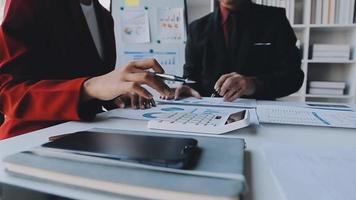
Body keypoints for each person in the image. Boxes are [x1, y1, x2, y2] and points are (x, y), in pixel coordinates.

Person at [0, 0, 171, 139]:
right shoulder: (28, 3)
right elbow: (8, 90)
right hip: (29, 141)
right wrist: (89, 87)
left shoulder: (104, 17)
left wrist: (113, 96)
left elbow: (88, 88)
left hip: (86, 137)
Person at [172, 0, 304, 102]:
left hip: (260, 117)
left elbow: (293, 77)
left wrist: (254, 84)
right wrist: (187, 88)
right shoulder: (196, 29)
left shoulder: (275, 20)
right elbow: (191, 78)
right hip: (210, 116)